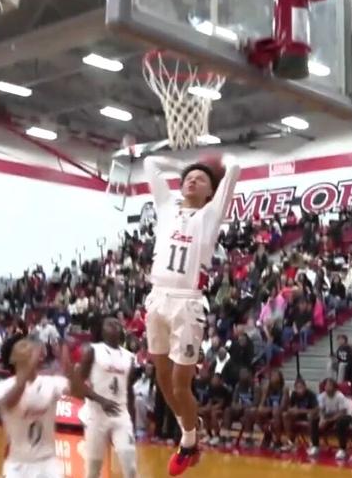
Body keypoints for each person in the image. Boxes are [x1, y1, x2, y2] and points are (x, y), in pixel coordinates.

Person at [142, 153, 240, 475]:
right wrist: (184, 164)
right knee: (162, 379)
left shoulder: (210, 215)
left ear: (211, 192)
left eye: (200, 179)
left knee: (180, 383)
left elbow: (235, 168)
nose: (192, 180)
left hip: (187, 303)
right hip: (156, 298)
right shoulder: (167, 208)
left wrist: (220, 161)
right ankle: (190, 431)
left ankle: (188, 442)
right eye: (188, 177)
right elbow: (150, 165)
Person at [0, 335, 86, 478]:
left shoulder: (51, 383)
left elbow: (80, 394)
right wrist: (26, 372)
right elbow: (8, 403)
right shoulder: (3, 387)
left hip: (48, 462)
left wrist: (69, 370)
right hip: (18, 463)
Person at [77, 317, 138, 478]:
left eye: (118, 324)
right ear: (102, 330)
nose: (116, 326)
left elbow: (128, 390)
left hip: (121, 415)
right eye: (110, 324)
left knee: (130, 466)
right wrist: (100, 400)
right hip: (97, 416)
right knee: (92, 471)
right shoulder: (92, 351)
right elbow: (77, 384)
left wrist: (133, 420)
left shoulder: (129, 357)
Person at [311, 379, 352, 460]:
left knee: (340, 422)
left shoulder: (339, 396)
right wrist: (322, 419)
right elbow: (321, 410)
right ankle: (315, 446)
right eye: (326, 385)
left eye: (329, 385)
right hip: (330, 415)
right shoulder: (322, 395)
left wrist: (328, 421)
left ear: (334, 387)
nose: (327, 387)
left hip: (345, 416)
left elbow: (342, 412)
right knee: (314, 420)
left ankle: (342, 449)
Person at [222, 367, 257, 448]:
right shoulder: (238, 386)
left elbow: (256, 403)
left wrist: (243, 406)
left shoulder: (256, 387)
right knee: (228, 410)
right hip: (239, 409)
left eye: (244, 373)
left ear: (249, 375)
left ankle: (248, 439)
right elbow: (234, 401)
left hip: (250, 410)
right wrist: (235, 406)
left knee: (248, 412)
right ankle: (226, 436)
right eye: (241, 374)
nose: (242, 375)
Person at [281, 378, 318, 452]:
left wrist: (299, 411)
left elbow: (315, 410)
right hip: (298, 416)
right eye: (297, 388)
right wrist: (291, 410)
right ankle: (290, 441)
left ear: (305, 387)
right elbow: (290, 407)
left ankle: (312, 443)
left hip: (309, 416)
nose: (299, 389)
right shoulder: (294, 394)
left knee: (310, 416)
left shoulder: (311, 394)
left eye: (301, 387)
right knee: (285, 415)